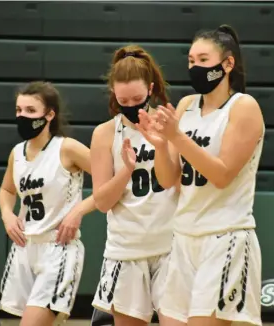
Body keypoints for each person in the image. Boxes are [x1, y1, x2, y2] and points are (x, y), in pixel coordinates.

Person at [137, 25, 265, 326]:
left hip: (225, 237)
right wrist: (159, 145)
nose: (194, 67)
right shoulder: (186, 106)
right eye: (191, 61)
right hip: (183, 238)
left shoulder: (243, 107)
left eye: (203, 60)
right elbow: (169, 180)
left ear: (227, 64)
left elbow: (222, 175)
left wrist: (177, 137)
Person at [90, 45, 179, 326]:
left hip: (171, 246)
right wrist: (126, 170)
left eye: (137, 98)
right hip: (125, 250)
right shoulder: (104, 134)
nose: (130, 106)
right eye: (123, 100)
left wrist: (162, 145)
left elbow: (172, 180)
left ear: (151, 89)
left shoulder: (169, 123)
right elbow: (103, 202)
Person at [0, 81, 96, 326]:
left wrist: (79, 211)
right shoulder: (17, 152)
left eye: (30, 110)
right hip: (24, 247)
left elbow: (111, 180)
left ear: (49, 115)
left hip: (58, 247)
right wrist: (7, 214)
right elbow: (7, 189)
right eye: (19, 110)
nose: (22, 116)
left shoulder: (67, 148)